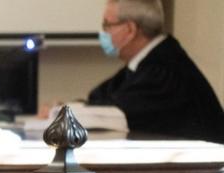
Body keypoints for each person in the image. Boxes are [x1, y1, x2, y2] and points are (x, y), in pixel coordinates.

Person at [88, 0, 224, 142]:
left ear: (130, 29)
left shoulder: (166, 70)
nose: (103, 32)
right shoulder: (149, 61)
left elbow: (119, 113)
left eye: (107, 25)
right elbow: (98, 96)